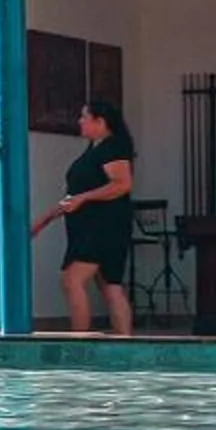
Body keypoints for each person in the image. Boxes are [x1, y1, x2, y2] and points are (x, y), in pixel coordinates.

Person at [33, 99, 135, 337]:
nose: (79, 121)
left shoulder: (113, 147)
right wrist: (45, 219)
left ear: (100, 122)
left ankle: (79, 342)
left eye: (84, 117)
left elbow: (122, 184)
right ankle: (125, 342)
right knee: (110, 287)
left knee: (72, 280)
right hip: (87, 226)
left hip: (104, 226)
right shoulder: (95, 148)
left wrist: (84, 199)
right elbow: (74, 195)